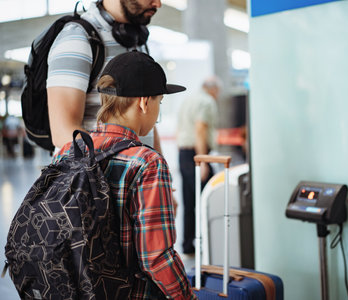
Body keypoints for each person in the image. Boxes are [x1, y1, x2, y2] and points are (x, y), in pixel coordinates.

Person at [54, 51, 197, 299]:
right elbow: (157, 258)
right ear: (143, 102)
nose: (156, 114)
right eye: (159, 103)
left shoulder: (69, 150)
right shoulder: (147, 163)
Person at [47, 0, 162, 152]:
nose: (158, 4)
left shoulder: (136, 41)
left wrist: (157, 161)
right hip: (99, 173)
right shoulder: (77, 38)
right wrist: (128, 161)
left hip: (139, 170)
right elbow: (63, 132)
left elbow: (146, 119)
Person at [176, 76, 221, 255]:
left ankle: (188, 245)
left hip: (183, 152)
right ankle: (206, 246)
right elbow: (200, 128)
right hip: (197, 153)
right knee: (205, 200)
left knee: (189, 202)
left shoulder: (188, 99)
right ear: (213, 89)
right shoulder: (207, 101)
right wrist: (202, 161)